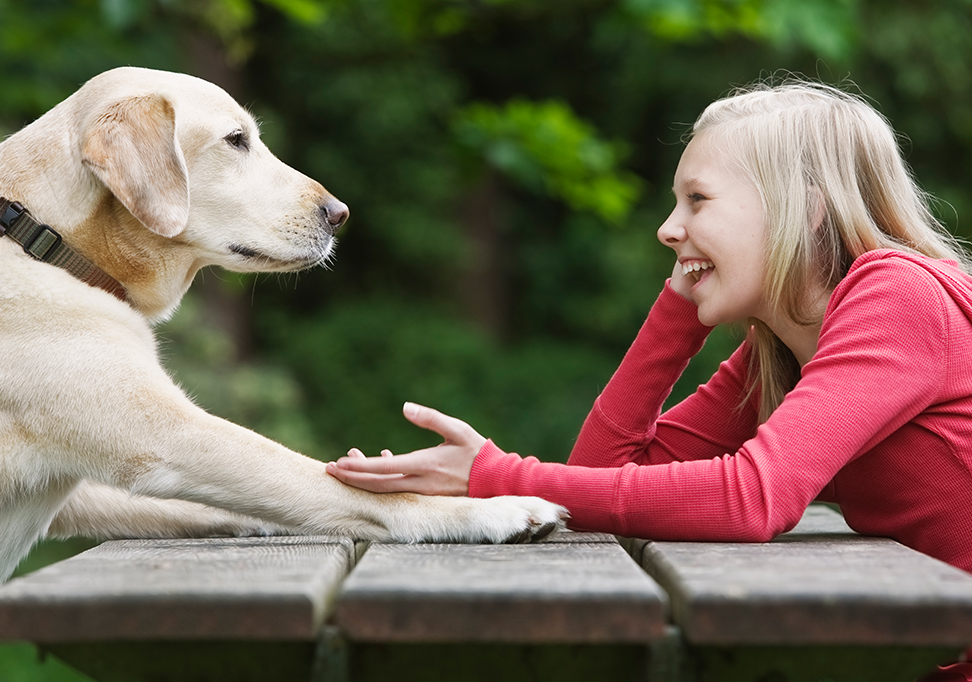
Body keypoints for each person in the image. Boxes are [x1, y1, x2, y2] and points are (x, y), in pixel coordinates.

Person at [325, 81, 972, 679]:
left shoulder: (899, 295)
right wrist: (678, 316)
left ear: (803, 209)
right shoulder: (777, 353)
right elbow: (604, 475)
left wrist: (494, 477)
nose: (668, 228)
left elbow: (753, 498)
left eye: (698, 199)